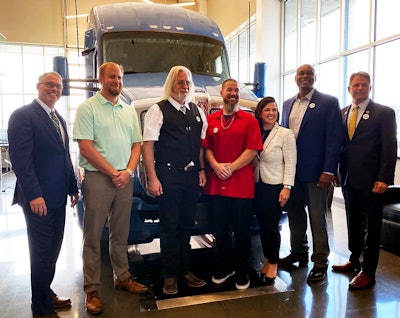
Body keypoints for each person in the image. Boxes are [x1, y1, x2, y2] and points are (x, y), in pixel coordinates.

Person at [73, 62, 148, 315]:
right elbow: (86, 148)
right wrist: (112, 172)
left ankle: (122, 277)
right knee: (92, 236)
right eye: (112, 77)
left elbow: (137, 145)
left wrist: (127, 172)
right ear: (100, 79)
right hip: (98, 179)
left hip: (124, 180)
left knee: (120, 232)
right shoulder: (87, 108)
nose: (117, 81)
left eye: (119, 77)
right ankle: (92, 290)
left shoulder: (128, 111)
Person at [8, 72, 79, 318]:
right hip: (38, 199)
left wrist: (72, 187)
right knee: (41, 253)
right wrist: (34, 195)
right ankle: (41, 308)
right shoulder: (22, 116)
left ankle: (45, 293)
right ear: (38, 86)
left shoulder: (57, 118)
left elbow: (64, 156)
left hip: (58, 196)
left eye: (58, 86)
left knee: (53, 250)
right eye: (49, 84)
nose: (55, 89)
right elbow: (21, 161)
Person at [142, 65, 208, 295]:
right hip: (168, 176)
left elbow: (200, 145)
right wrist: (153, 177)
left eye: (188, 82)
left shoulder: (196, 110)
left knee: (186, 226)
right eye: (180, 82)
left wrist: (201, 170)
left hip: (191, 178)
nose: (185, 86)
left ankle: (186, 269)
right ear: (171, 84)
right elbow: (147, 145)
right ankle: (170, 274)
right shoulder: (157, 110)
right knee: (169, 227)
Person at [332, 71, 397, 289]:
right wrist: (335, 172)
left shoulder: (384, 113)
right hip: (349, 179)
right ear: (349, 89)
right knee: (354, 222)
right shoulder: (342, 113)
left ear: (370, 87)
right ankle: (354, 259)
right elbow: (340, 146)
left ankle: (368, 271)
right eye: (355, 85)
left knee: (373, 227)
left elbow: (390, 147)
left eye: (364, 85)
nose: (359, 88)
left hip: (373, 182)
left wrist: (384, 178)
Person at [279, 64, 342, 282]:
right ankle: (299, 252)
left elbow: (334, 139)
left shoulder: (329, 102)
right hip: (292, 173)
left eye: (309, 73)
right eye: (301, 74)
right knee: (295, 216)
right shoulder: (287, 104)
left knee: (317, 218)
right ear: (295, 78)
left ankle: (320, 262)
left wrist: (329, 170)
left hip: (317, 174)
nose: (305, 76)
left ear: (315, 77)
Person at [202, 78, 263, 290]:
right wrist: (216, 166)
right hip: (216, 186)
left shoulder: (249, 120)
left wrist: (231, 167)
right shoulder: (211, 120)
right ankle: (223, 268)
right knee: (220, 231)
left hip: (241, 187)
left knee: (242, 233)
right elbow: (206, 148)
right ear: (222, 92)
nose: (233, 93)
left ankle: (242, 272)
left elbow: (253, 149)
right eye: (230, 89)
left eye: (236, 90)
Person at [253, 96, 297, 285]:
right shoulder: (255, 131)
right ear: (260, 113)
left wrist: (287, 187)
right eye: (267, 110)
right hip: (258, 185)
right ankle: (267, 260)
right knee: (263, 226)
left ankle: (273, 263)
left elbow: (291, 163)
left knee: (271, 227)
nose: (272, 113)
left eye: (274, 110)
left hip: (276, 186)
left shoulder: (285, 134)